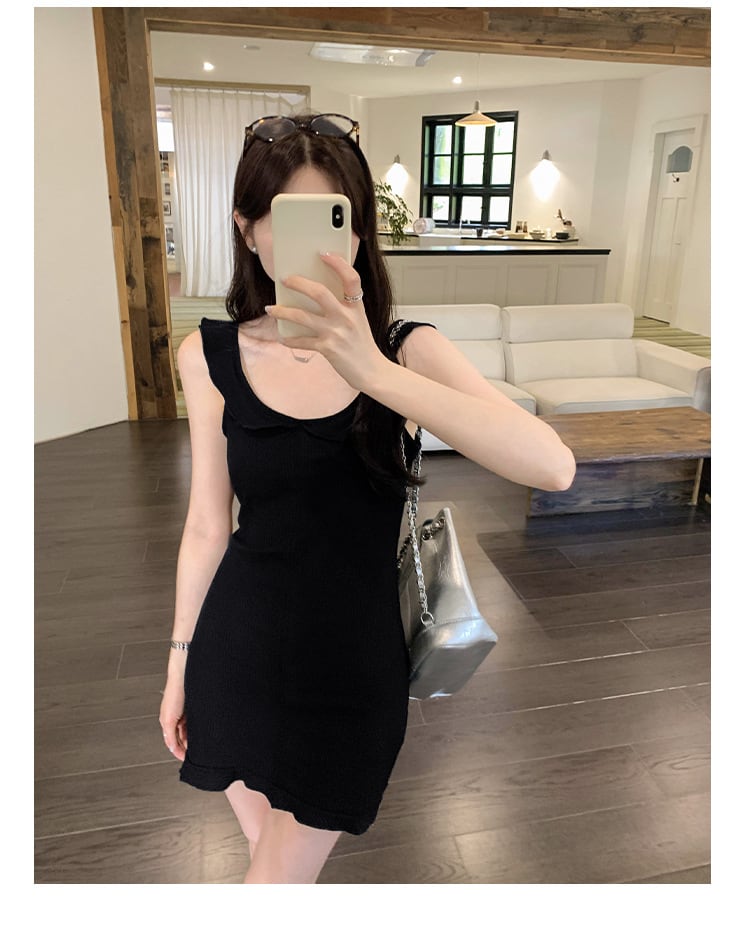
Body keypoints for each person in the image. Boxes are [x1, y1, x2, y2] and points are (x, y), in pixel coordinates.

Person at [159, 112, 576, 884]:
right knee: (274, 871)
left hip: (350, 670)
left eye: (339, 218)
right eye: (291, 218)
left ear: (360, 232)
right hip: (238, 652)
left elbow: (552, 466)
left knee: (273, 879)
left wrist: (373, 370)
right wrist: (180, 661)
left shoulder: (407, 351)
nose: (323, 245)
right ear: (248, 229)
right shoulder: (208, 353)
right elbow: (207, 524)